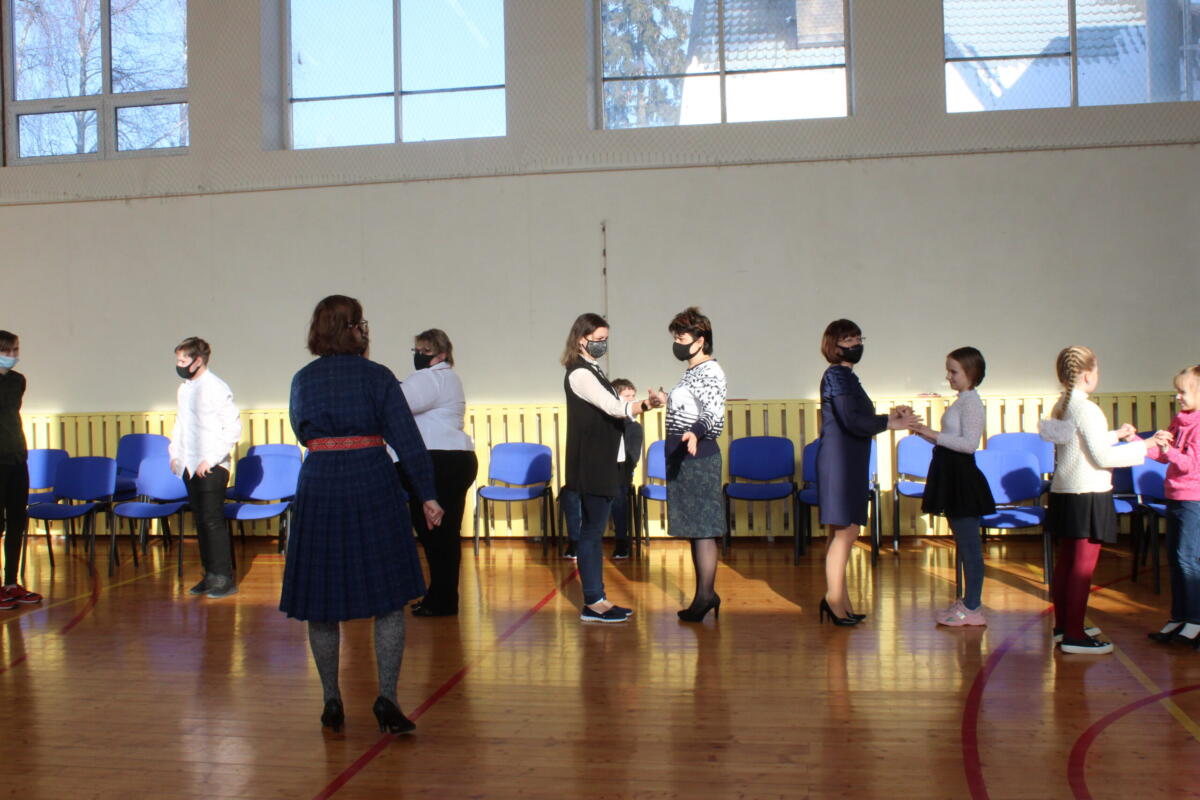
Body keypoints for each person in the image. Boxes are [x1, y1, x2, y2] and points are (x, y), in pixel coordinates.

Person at [280, 296, 444, 734]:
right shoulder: (378, 377)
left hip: (319, 485)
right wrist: (428, 494)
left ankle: (331, 701)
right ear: (355, 329)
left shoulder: (303, 379)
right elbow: (407, 440)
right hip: (372, 481)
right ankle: (386, 699)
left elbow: (300, 429)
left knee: (320, 602)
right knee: (389, 599)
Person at [1038, 345, 1146, 655]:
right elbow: (1102, 457)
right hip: (1088, 493)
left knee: (1067, 564)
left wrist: (1116, 434)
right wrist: (1147, 445)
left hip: (1065, 493)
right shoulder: (1088, 409)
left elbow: (1081, 443)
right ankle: (1074, 635)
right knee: (1082, 569)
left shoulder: (1064, 404)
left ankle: (1064, 627)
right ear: (1087, 374)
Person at [561, 313, 657, 623]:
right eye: (598, 339)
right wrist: (645, 404)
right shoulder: (580, 374)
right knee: (591, 533)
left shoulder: (593, 369)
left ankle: (598, 599)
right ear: (581, 339)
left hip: (604, 462)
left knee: (594, 532)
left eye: (605, 340)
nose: (603, 344)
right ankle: (593, 602)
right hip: (593, 463)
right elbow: (614, 407)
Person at [816, 319, 913, 626]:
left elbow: (859, 416)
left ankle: (839, 600)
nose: (856, 344)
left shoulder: (846, 376)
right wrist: (889, 423)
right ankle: (834, 601)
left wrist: (888, 417)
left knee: (841, 531)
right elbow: (851, 420)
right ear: (833, 344)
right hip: (840, 462)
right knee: (847, 531)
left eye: (858, 339)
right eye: (848, 339)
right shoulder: (837, 375)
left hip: (848, 459)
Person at [908, 347, 996, 627]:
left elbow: (969, 445)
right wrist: (922, 430)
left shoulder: (972, 404)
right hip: (951, 473)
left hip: (962, 478)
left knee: (970, 547)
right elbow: (949, 439)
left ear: (970, 373)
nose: (948, 376)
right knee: (964, 543)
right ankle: (969, 601)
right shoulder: (962, 402)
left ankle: (973, 607)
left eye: (953, 371)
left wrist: (931, 433)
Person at [650, 308, 727, 622]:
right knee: (696, 530)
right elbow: (693, 404)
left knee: (703, 529)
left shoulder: (711, 371)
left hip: (699, 458)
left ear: (700, 340)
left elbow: (713, 413)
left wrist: (695, 433)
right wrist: (667, 399)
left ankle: (706, 596)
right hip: (683, 457)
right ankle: (704, 595)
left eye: (682, 338)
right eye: (676, 338)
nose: (677, 343)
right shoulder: (692, 371)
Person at [399, 329, 478, 617]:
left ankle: (442, 599)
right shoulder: (445, 378)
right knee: (443, 534)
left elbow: (396, 402)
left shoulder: (432, 378)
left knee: (435, 534)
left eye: (426, 351)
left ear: (442, 354)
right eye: (417, 351)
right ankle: (441, 596)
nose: (420, 356)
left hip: (440, 461)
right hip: (454, 459)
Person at [168, 337, 242, 599]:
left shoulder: (216, 387)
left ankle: (224, 578)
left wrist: (210, 459)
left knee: (212, 520)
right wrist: (175, 454)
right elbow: (181, 424)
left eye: (183, 360)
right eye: (177, 360)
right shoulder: (184, 389)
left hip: (211, 466)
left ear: (197, 360)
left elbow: (232, 428)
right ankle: (209, 575)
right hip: (189, 465)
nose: (179, 365)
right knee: (200, 520)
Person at [1144, 365, 1200, 647]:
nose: (1177, 396)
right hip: (1176, 496)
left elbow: (1190, 465)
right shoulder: (1180, 420)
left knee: (1187, 558)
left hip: (1194, 499)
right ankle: (1180, 616)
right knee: (1175, 559)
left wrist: (1170, 450)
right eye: (1176, 391)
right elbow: (1163, 454)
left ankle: (1195, 620)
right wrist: (1140, 442)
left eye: (1183, 391)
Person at [560, 378, 643, 561]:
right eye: (626, 396)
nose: (631, 399)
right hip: (596, 472)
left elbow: (632, 458)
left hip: (619, 473)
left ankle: (621, 541)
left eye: (633, 396)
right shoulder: (603, 424)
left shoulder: (634, 427)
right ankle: (575, 541)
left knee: (619, 496)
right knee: (571, 493)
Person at [0, 331, 41, 611]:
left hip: (16, 458)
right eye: (7, 351)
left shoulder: (18, 381)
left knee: (17, 520)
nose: (13, 355)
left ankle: (11, 583)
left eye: (15, 350)